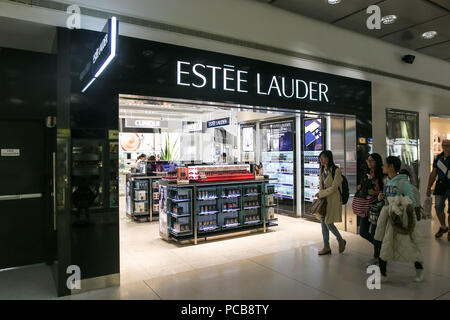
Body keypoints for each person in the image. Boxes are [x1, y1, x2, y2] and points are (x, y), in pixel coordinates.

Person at [374, 156, 424, 283]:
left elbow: (412, 202)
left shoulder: (403, 183)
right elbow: (388, 197)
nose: (382, 166)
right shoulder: (387, 181)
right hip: (387, 218)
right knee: (383, 244)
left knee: (409, 245)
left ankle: (419, 268)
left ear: (391, 166)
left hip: (400, 219)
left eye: (384, 164)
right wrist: (383, 197)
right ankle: (383, 273)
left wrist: (396, 202)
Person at [315, 150, 346, 255]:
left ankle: (340, 240)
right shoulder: (322, 169)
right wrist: (320, 193)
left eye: (323, 157)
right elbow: (322, 184)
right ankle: (326, 247)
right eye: (320, 158)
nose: (321, 160)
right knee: (323, 222)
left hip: (333, 199)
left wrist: (322, 194)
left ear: (328, 158)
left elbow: (334, 187)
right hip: (324, 200)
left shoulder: (336, 170)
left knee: (328, 222)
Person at [357, 153, 384, 266]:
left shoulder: (382, 175)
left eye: (371, 160)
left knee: (374, 232)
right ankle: (381, 249)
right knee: (363, 231)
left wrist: (374, 192)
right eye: (368, 160)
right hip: (366, 206)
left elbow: (383, 191)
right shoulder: (367, 173)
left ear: (377, 162)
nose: (369, 162)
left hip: (377, 206)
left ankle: (377, 256)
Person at [427, 139, 450, 240]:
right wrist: (429, 186)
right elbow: (434, 173)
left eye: (448, 145)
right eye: (444, 145)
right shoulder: (438, 158)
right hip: (440, 185)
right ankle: (443, 226)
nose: (446, 147)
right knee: (438, 207)